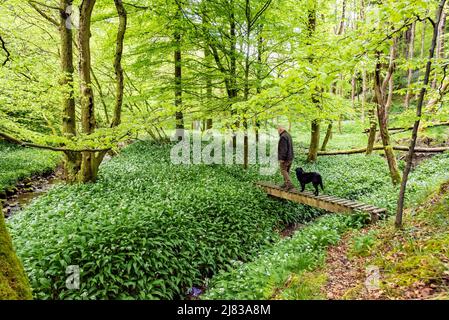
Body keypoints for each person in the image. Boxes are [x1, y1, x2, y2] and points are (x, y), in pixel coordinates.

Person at [277, 126, 294, 190]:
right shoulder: (288, 135)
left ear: (280, 130)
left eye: (278, 130)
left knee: (283, 170)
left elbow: (283, 149)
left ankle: (289, 184)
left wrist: (282, 159)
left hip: (286, 158)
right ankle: (285, 183)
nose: (278, 132)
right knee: (287, 171)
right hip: (290, 157)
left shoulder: (283, 137)